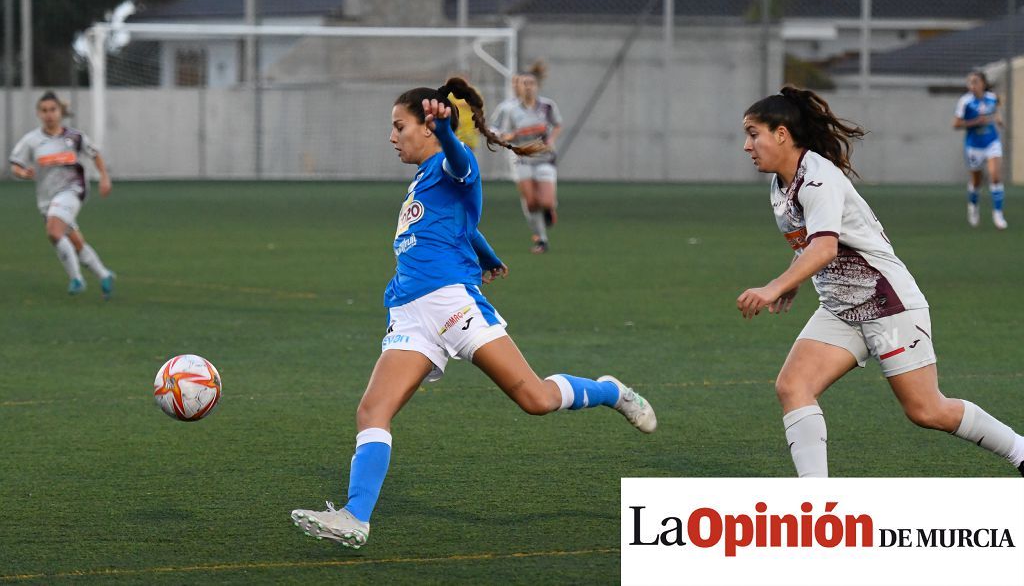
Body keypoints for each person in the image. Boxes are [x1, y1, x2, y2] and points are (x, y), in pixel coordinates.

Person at [291, 77, 656, 549]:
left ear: (427, 127)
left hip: (450, 305)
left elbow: (464, 164)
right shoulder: (422, 179)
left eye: (399, 125)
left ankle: (610, 391)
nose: (392, 136)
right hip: (407, 314)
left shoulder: (449, 162)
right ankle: (355, 516)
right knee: (372, 410)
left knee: (536, 399)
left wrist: (448, 133)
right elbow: (458, 224)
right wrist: (485, 253)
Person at [736, 86, 1024, 478]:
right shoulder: (781, 186)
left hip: (888, 304)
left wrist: (773, 285)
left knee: (927, 410)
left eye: (754, 133)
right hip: (841, 309)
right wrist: (793, 281)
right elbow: (813, 244)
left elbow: (824, 250)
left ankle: (1019, 450)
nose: (747, 145)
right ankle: (816, 506)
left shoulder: (818, 177)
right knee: (793, 387)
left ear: (782, 134)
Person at [9, 91, 116, 298]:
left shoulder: (74, 137)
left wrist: (104, 177)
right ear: (38, 114)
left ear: (60, 112)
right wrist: (23, 172)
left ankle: (76, 279)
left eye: (53, 110)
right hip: (46, 198)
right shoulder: (32, 140)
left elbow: (95, 154)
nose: (49, 114)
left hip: (73, 190)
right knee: (75, 241)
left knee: (53, 232)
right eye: (44, 110)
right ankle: (103, 274)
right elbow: (15, 164)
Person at [496, 62, 563, 253]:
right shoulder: (511, 110)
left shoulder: (548, 106)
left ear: (537, 86)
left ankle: (550, 210)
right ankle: (541, 239)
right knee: (531, 202)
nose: (528, 86)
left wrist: (550, 139)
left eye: (531, 83)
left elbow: (557, 124)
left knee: (546, 202)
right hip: (523, 158)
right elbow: (506, 133)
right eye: (524, 83)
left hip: (544, 157)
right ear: (519, 86)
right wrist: (509, 137)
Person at [953, 70, 1007, 230]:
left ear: (983, 83)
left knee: (995, 176)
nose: (972, 85)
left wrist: (998, 118)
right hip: (974, 146)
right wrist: (976, 121)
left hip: (991, 142)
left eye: (975, 81)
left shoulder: (991, 97)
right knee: (976, 181)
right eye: (970, 82)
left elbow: (996, 107)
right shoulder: (965, 102)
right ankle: (973, 207)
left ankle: (998, 214)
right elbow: (956, 124)